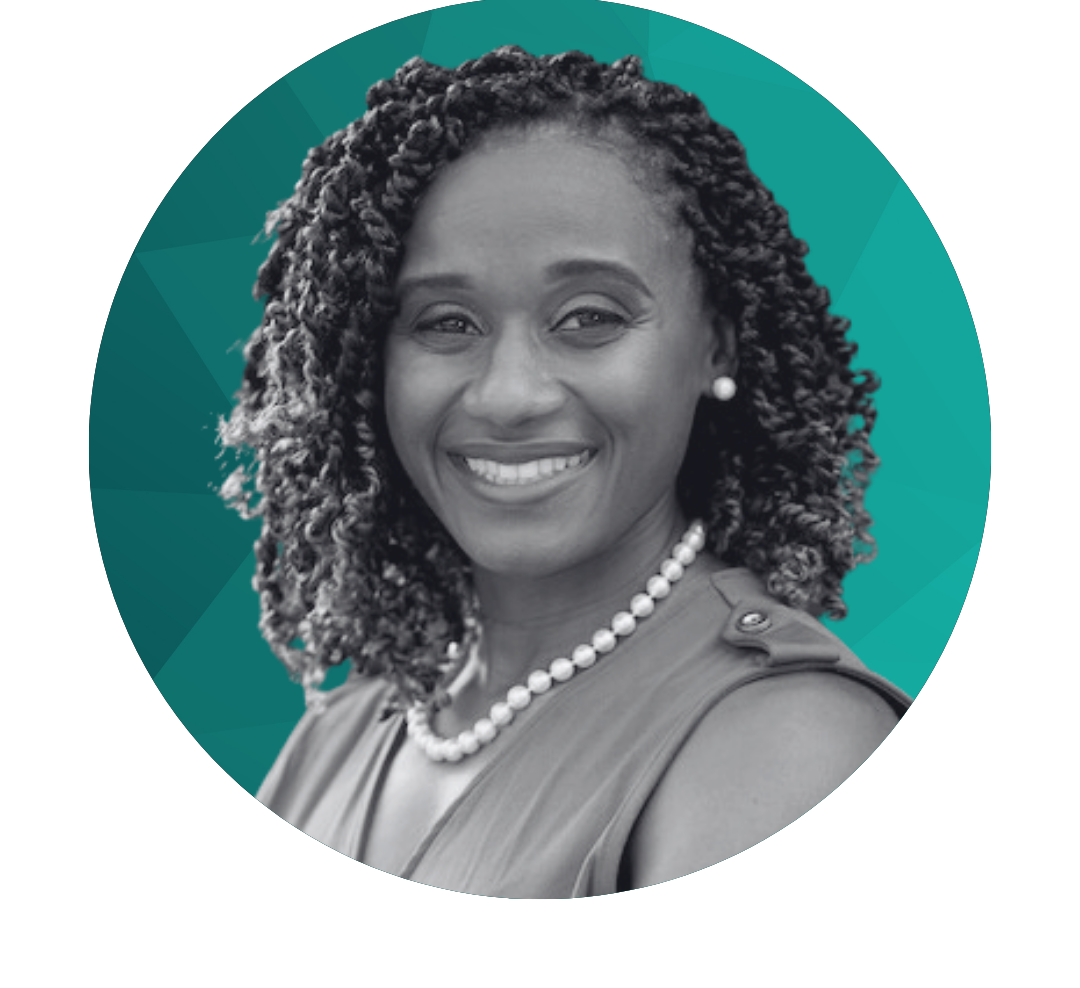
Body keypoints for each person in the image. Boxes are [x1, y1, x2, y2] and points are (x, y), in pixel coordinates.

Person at [217, 45, 913, 898]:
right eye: (445, 323)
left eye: (589, 318)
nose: (509, 395)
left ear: (718, 346)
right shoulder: (339, 738)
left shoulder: (785, 738)